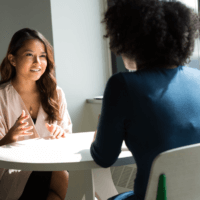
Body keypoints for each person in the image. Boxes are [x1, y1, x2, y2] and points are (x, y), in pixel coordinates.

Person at [90, 0, 200, 200]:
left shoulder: (123, 85)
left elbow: (104, 158)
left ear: (129, 40)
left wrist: (98, 137)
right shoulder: (198, 79)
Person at [0, 28, 72, 200]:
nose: (37, 62)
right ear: (13, 59)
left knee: (61, 174)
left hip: (48, 169)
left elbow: (67, 139)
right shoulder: (2, 97)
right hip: (8, 175)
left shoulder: (56, 94)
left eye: (42, 56)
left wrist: (61, 135)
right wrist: (10, 138)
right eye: (29, 55)